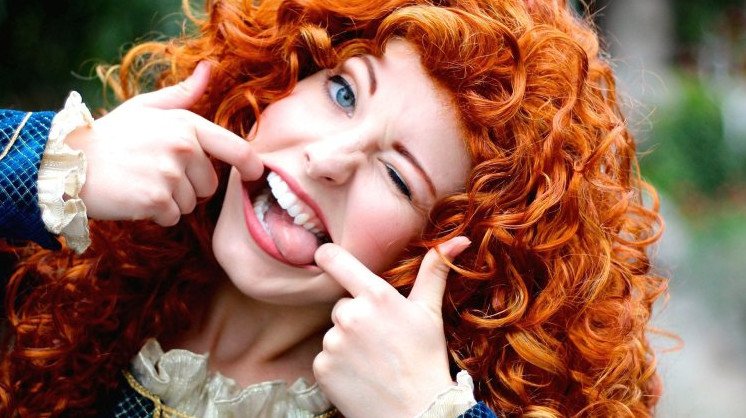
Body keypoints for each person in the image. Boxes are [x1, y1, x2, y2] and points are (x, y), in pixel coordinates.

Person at [0, 0, 667, 417]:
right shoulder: (56, 243)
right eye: (343, 92)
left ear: (452, 252)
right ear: (277, 76)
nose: (328, 159)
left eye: (399, 178)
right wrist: (50, 165)